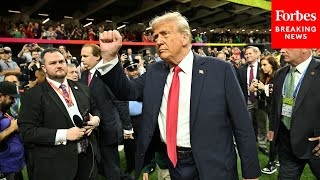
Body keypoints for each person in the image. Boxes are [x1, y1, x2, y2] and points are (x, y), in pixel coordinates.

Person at [96, 12, 260, 179]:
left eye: (164, 34)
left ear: (185, 38)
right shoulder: (155, 71)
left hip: (215, 165)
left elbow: (242, 124)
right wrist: (109, 57)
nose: (158, 41)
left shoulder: (220, 69)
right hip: (174, 164)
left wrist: (251, 173)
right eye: (155, 36)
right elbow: (127, 91)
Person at [18, 48, 101, 180]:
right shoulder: (32, 95)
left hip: (88, 158)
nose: (59, 65)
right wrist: (65, 135)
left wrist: (96, 120)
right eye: (53, 63)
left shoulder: (82, 88)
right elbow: (27, 132)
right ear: (44, 68)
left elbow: (95, 108)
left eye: (61, 61)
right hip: (57, 165)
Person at [80, 44, 133, 180]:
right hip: (92, 131)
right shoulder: (84, 74)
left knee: (111, 169)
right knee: (100, 167)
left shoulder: (108, 73)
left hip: (108, 129)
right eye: (81, 56)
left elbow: (120, 101)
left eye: (85, 56)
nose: (82, 59)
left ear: (97, 56)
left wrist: (127, 127)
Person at [269, 48, 320, 179]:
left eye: (287, 45)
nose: (282, 50)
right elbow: (275, 105)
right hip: (287, 144)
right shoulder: (280, 74)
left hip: (316, 145)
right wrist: (273, 127)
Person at [251, 56, 280, 174]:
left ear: (272, 64)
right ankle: (276, 159)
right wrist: (258, 88)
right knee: (275, 136)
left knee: (273, 136)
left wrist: (265, 88)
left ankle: (272, 163)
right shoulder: (266, 77)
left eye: (265, 65)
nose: (262, 68)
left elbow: (278, 93)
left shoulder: (279, 75)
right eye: (261, 65)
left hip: (277, 112)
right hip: (270, 110)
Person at [0, 81, 24, 180]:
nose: (14, 101)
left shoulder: (4, 110)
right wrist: (12, 128)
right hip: (5, 170)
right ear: (1, 96)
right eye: (11, 98)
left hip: (14, 167)